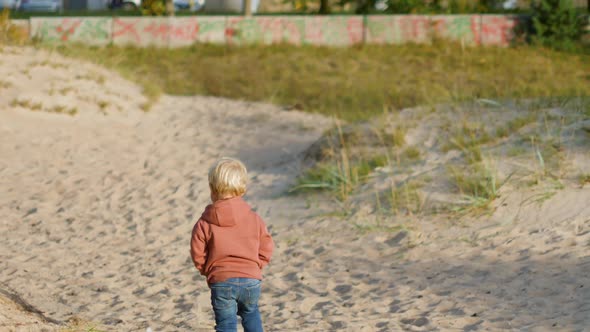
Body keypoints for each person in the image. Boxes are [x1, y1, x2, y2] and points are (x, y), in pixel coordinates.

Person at [190, 158, 274, 332]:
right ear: (242, 189)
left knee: (226, 323)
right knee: (251, 314)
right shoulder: (254, 218)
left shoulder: (204, 222)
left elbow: (198, 252)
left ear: (212, 189)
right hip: (251, 279)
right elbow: (266, 245)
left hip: (221, 280)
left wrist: (207, 270)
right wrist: (257, 265)